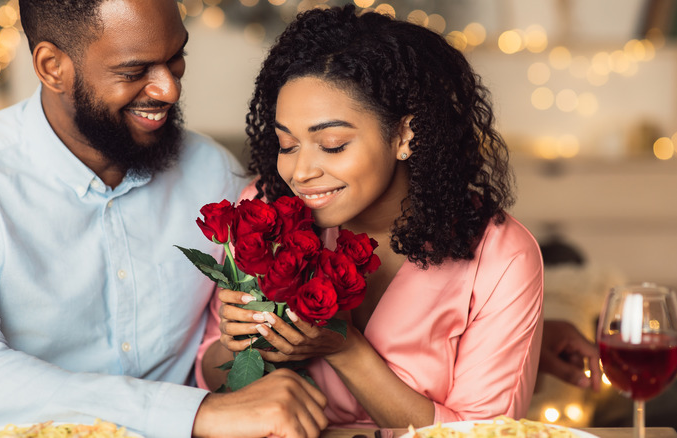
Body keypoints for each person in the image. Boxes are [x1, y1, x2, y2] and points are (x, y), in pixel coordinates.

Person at [0, 1, 328, 437]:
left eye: (176, 58)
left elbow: (220, 350)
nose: (168, 90)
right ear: (52, 67)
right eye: (134, 71)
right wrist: (194, 413)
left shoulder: (215, 175)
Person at [196, 5, 544, 429]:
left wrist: (344, 347)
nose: (300, 173)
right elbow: (209, 379)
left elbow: (486, 432)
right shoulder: (266, 212)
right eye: (287, 145)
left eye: (332, 144)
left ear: (404, 135)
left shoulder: (502, 257)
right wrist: (233, 345)